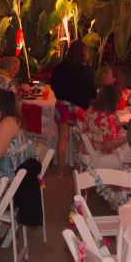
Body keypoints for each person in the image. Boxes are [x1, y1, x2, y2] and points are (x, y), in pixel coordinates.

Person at [50, 40, 97, 176]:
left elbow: (53, 84)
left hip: (62, 105)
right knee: (81, 139)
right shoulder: (87, 70)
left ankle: (60, 171)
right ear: (83, 53)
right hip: (79, 108)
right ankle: (78, 169)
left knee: (62, 138)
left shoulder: (60, 67)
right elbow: (92, 92)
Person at [78, 85, 126, 167]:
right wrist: (126, 138)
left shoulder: (91, 109)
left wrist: (116, 125)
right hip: (98, 156)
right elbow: (109, 146)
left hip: (86, 150)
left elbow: (98, 130)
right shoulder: (105, 120)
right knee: (128, 156)